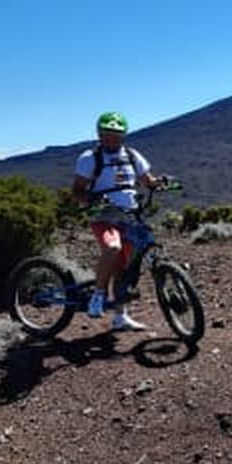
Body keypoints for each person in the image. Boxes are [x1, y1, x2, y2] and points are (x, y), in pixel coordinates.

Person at [72, 111, 162, 330]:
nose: (111, 138)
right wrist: (92, 201)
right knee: (112, 248)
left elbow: (147, 180)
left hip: (130, 216)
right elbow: (77, 191)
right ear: (99, 134)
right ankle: (98, 296)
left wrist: (160, 183)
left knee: (124, 266)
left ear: (124, 135)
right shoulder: (89, 158)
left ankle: (120, 317)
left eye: (116, 134)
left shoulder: (131, 155)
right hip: (104, 216)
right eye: (107, 134)